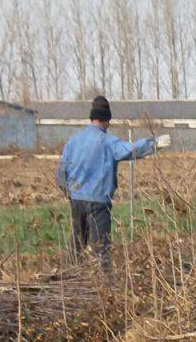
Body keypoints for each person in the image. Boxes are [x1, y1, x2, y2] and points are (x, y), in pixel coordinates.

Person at [55, 96, 158, 264]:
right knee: (101, 249)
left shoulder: (74, 141)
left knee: (76, 245)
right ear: (107, 119)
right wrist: (153, 144)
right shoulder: (108, 141)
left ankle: (68, 281)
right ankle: (103, 284)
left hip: (77, 200)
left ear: (92, 118)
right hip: (99, 203)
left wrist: (70, 193)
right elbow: (129, 150)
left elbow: (60, 172)